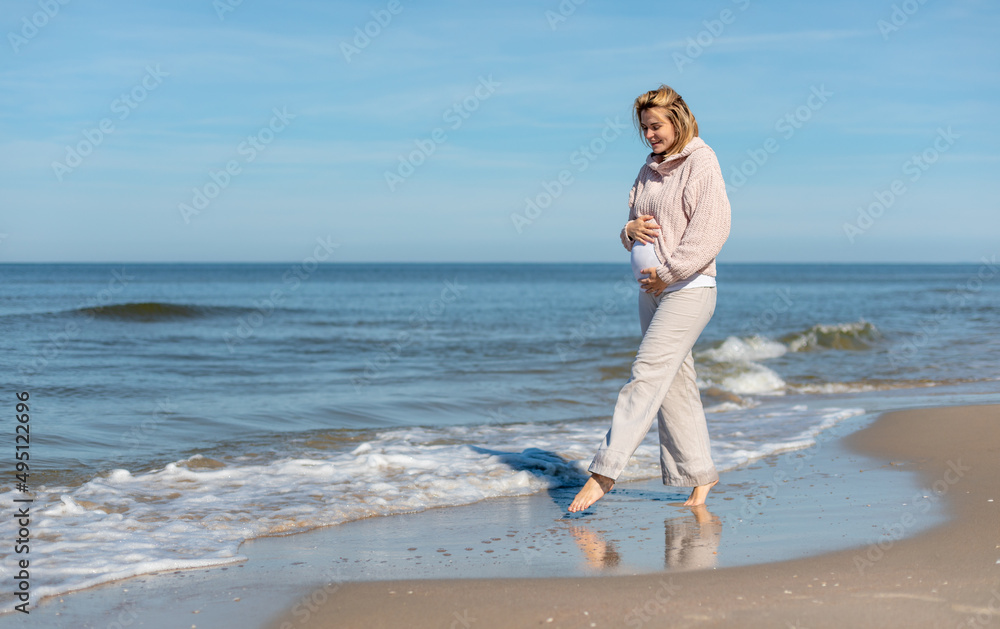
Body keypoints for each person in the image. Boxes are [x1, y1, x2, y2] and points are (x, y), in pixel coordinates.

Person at [568, 85, 731, 512]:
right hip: (653, 291)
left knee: (645, 374)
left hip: (688, 289)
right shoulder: (648, 169)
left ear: (679, 119)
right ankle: (700, 478)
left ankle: (604, 473)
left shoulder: (701, 161)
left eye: (656, 126)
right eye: (644, 129)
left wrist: (670, 273)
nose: (650, 135)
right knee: (675, 386)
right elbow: (631, 224)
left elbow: (713, 229)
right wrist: (629, 232)